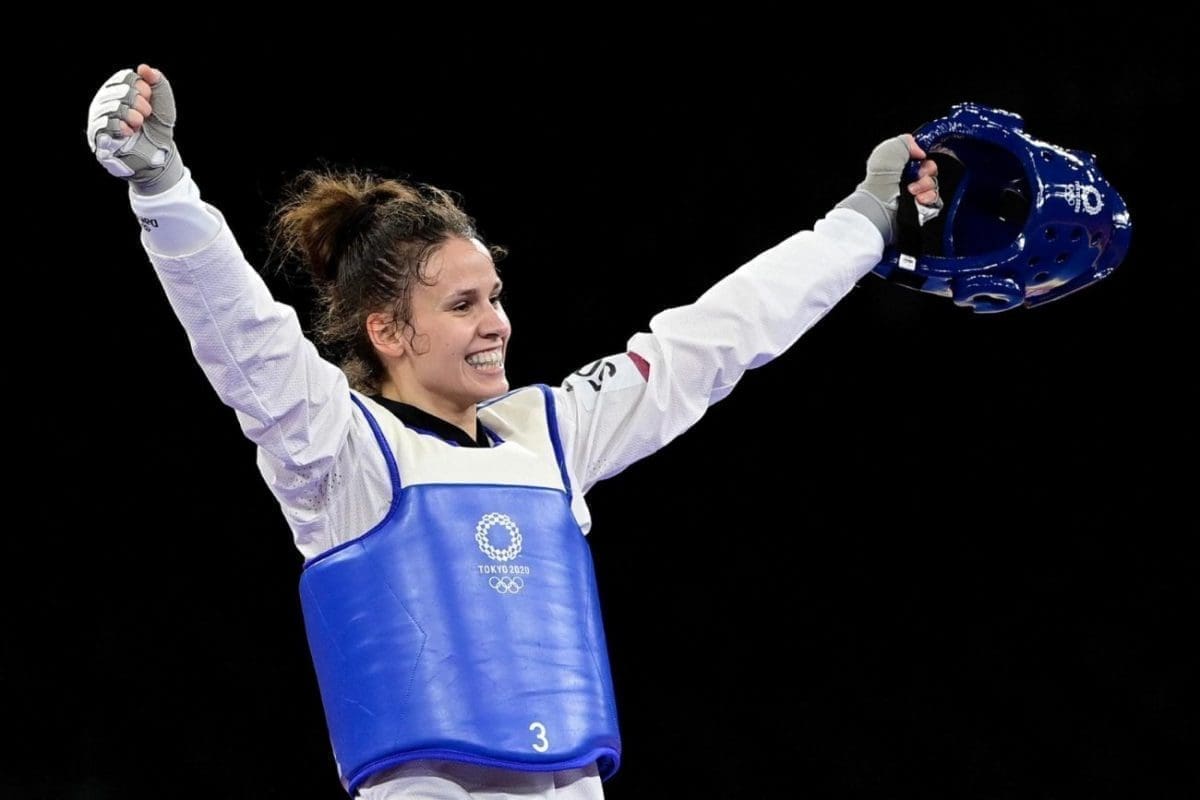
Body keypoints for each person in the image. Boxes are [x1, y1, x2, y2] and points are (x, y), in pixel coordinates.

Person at [86, 63, 941, 799]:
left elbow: (718, 335)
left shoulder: (552, 434)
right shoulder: (340, 450)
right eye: (462, 305)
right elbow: (240, 331)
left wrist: (864, 219)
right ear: (388, 331)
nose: (495, 322)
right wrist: (162, 186)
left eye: (494, 296)